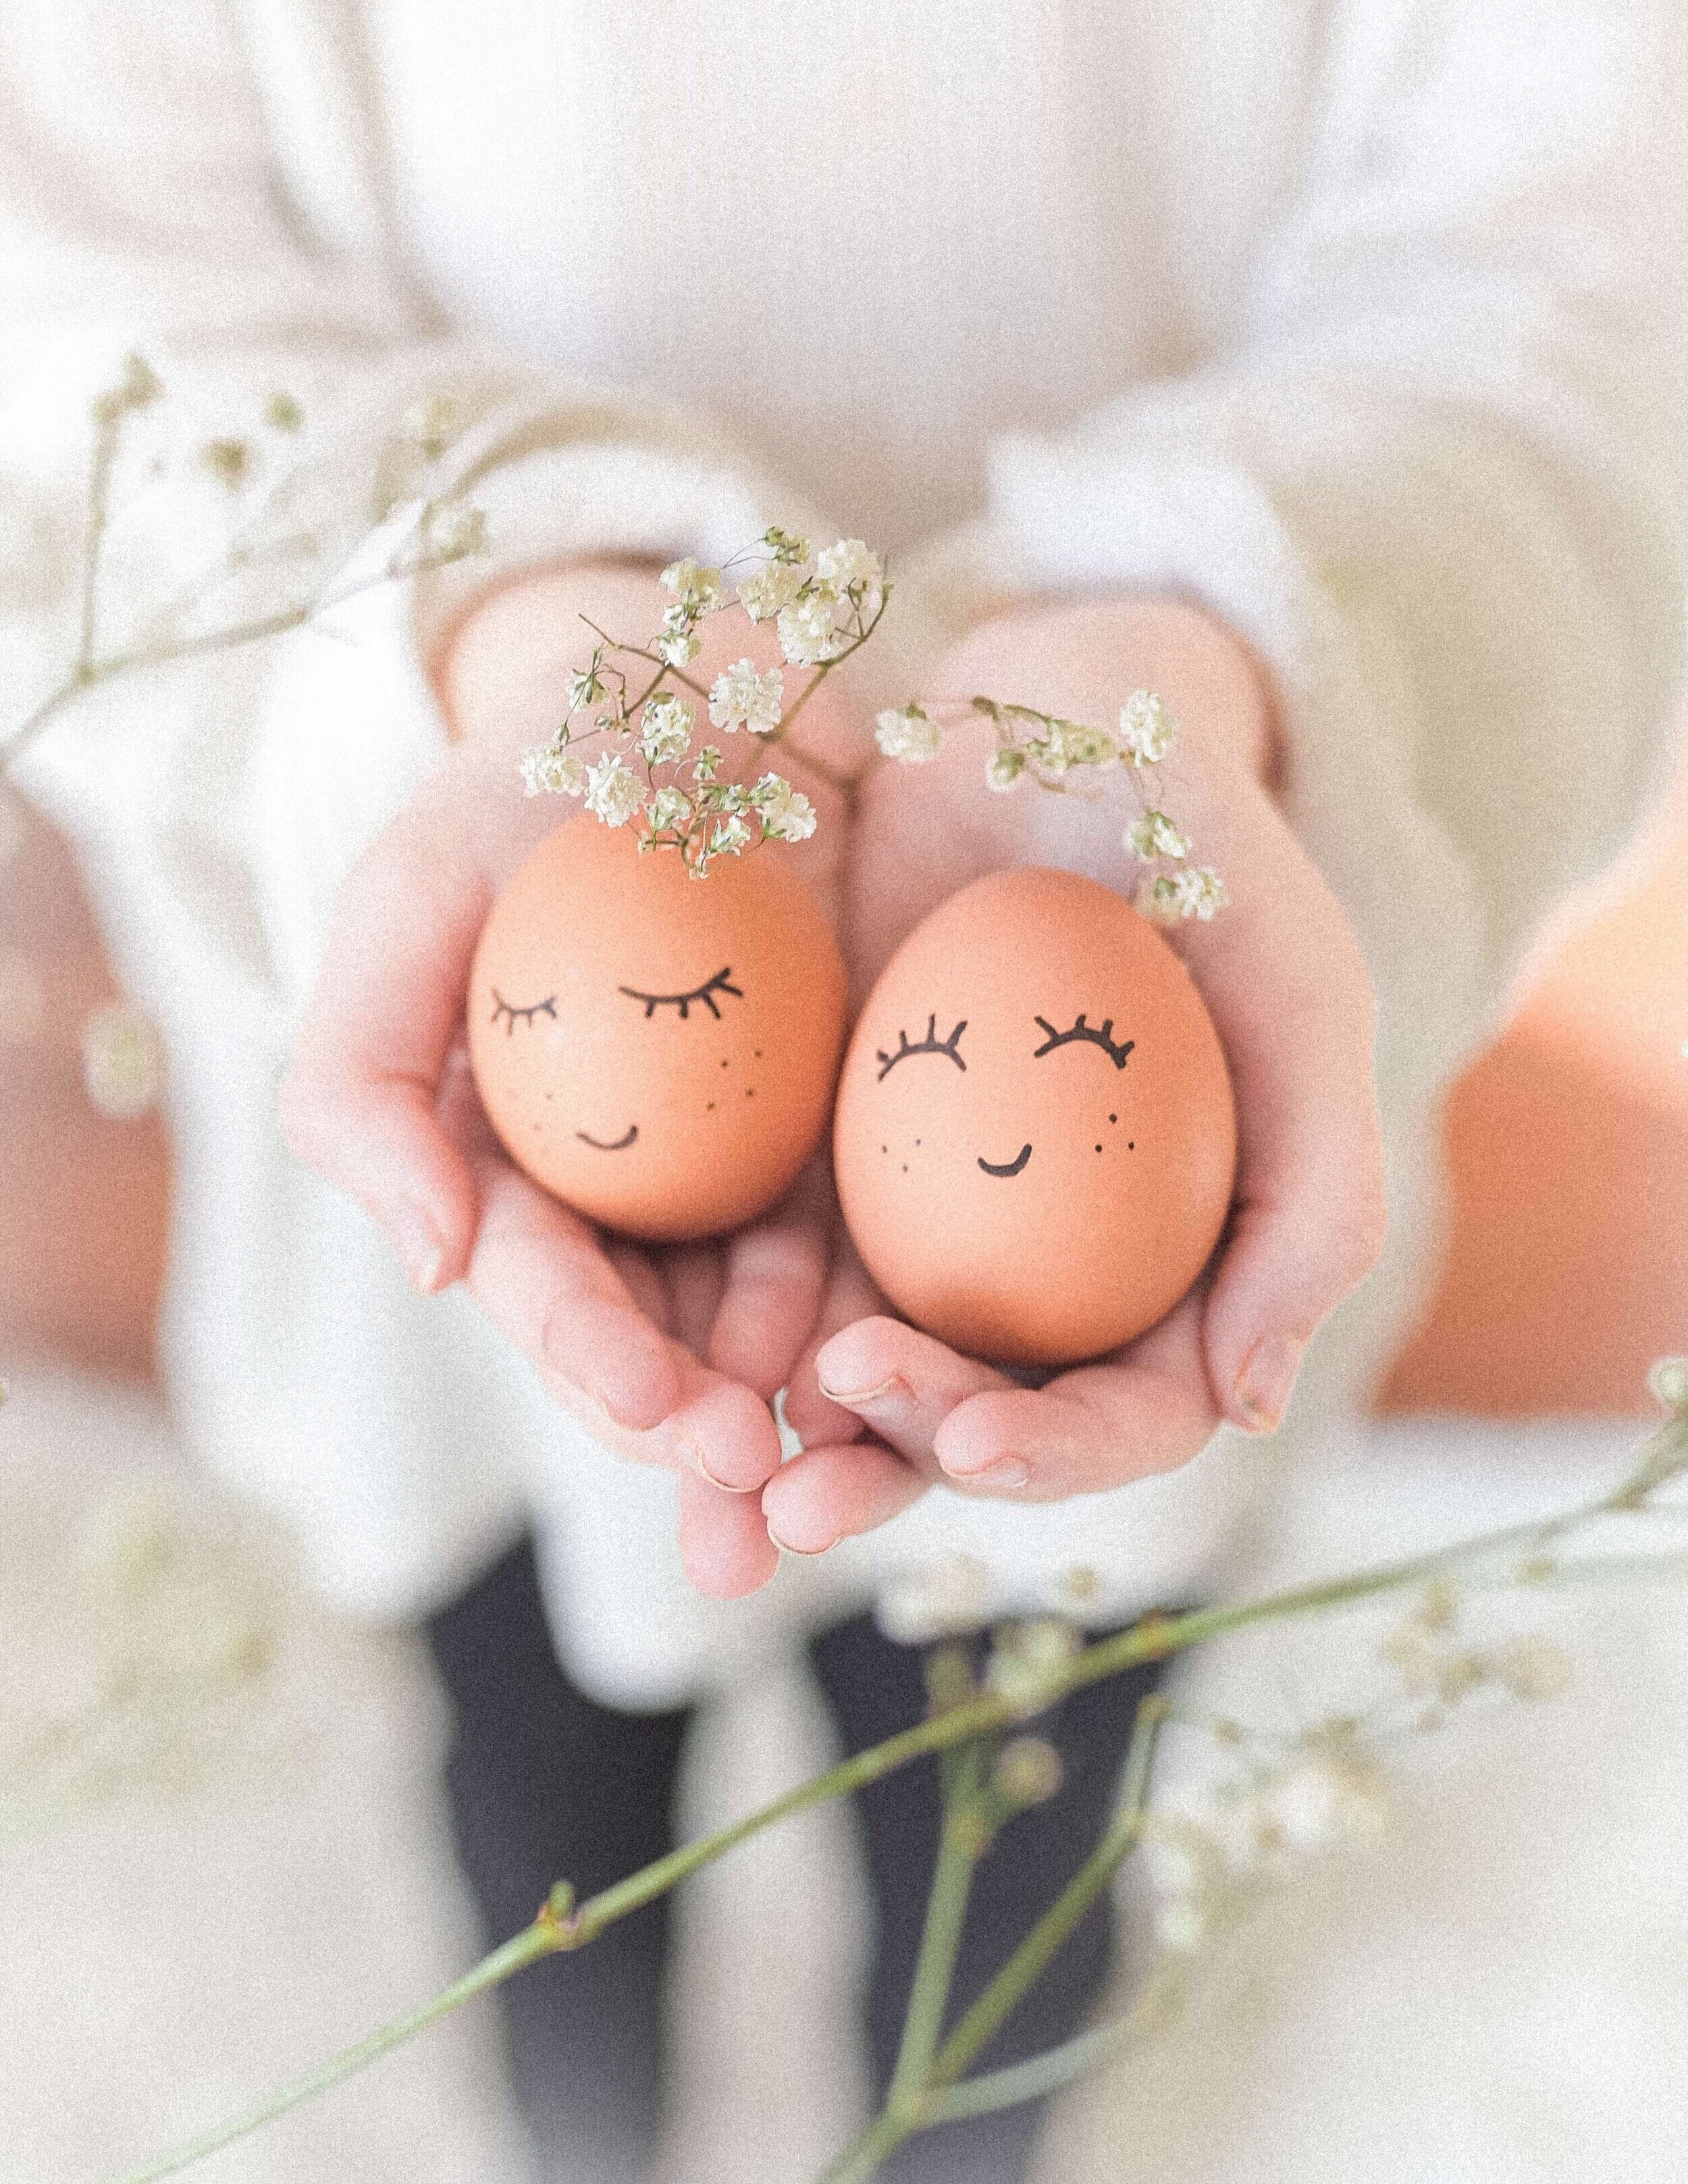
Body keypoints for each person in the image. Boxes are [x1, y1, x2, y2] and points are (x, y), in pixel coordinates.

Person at [5, 4, 1685, 2178]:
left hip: (1160, 1011)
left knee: (1015, 1835)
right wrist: (499, 618)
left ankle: (952, 2144)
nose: (1006, 1098)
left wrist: (1222, 643)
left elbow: (1592, 267)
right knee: (536, 1787)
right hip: (471, 1083)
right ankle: (587, 2124)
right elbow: (70, 286)